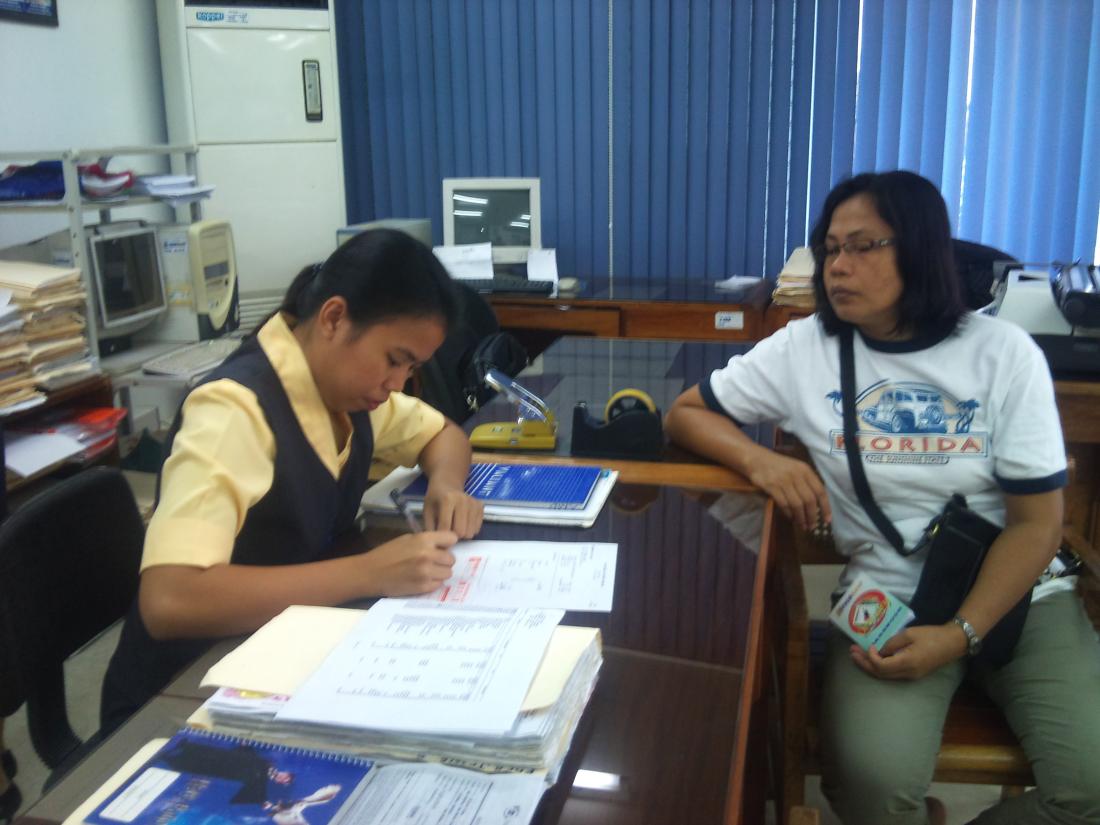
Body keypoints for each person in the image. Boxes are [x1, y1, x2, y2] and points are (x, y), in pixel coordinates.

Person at [666, 171, 1100, 825]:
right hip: (887, 597)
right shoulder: (805, 348)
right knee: (871, 787)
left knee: (1088, 790)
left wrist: (958, 636)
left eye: (863, 246)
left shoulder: (1002, 353)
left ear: (921, 249)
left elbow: (1036, 525)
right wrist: (762, 461)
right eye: (830, 247)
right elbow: (685, 413)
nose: (838, 266)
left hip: (1023, 597)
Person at [101, 229, 484, 735]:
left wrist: (447, 487)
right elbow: (170, 599)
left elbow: (444, 434)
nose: (397, 383)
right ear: (333, 318)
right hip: (179, 695)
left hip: (276, 657)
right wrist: (368, 572)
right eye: (394, 359)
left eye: (412, 367)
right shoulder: (234, 410)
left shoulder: (348, 393)